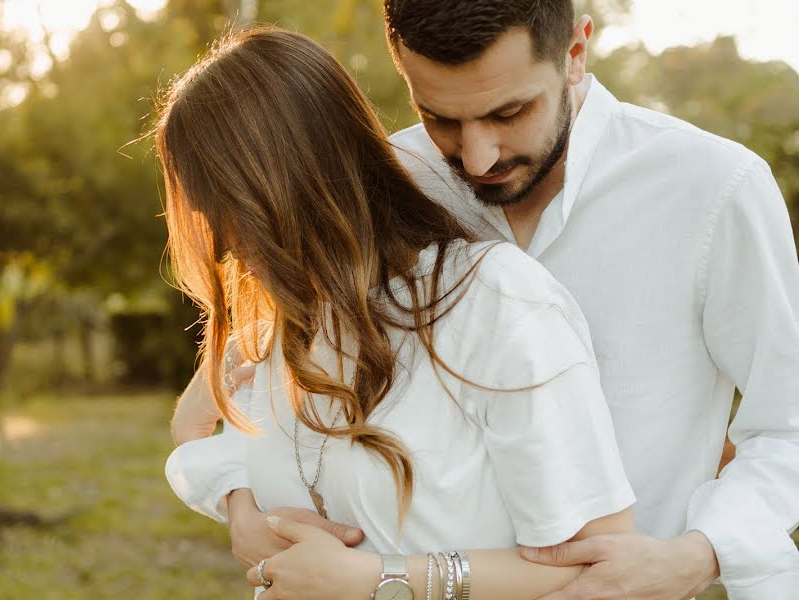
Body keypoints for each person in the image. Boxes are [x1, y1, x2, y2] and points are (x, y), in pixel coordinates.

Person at [168, 2, 799, 599]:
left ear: (575, 51)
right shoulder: (380, 183)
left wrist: (699, 554)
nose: (477, 156)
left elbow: (788, 424)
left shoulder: (712, 190)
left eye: (508, 113)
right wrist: (241, 502)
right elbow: (261, 375)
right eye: (441, 117)